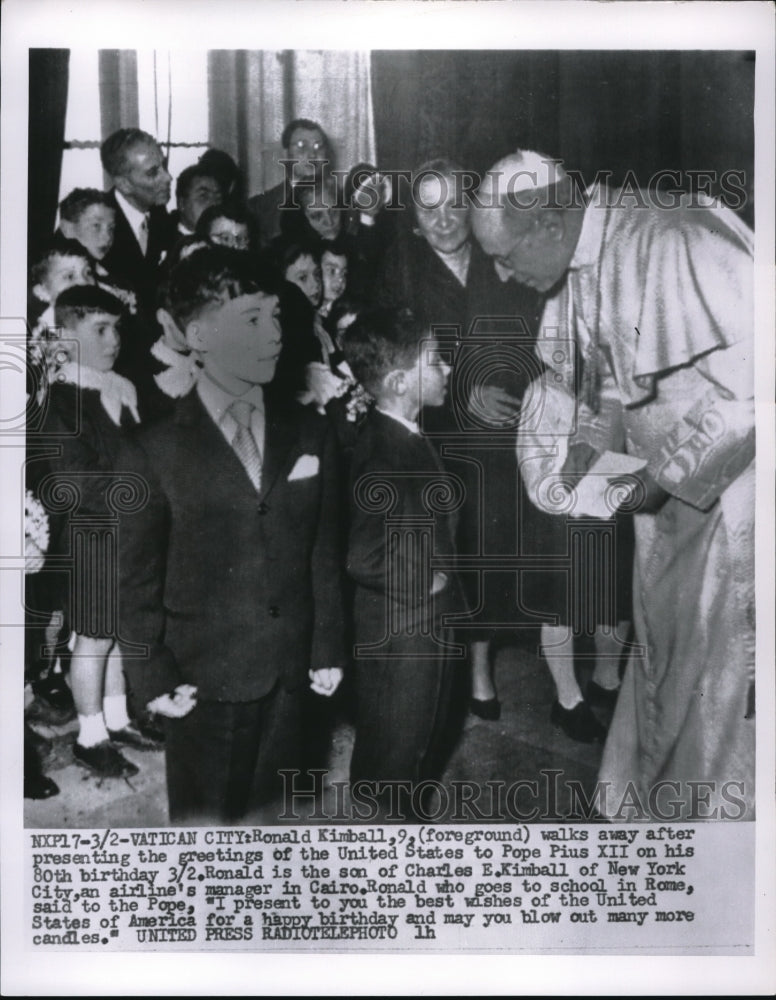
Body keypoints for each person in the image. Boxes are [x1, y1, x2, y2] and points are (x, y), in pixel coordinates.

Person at [472, 150, 755, 817]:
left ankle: (713, 862)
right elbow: (603, 381)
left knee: (715, 691)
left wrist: (664, 476)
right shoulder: (582, 254)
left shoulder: (676, 236)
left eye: (506, 257)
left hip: (733, 509)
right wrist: (577, 464)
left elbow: (757, 388)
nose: (501, 275)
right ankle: (657, 822)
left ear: (547, 224)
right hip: (662, 513)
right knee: (662, 665)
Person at [116, 247, 346, 823]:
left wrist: (327, 646)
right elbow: (133, 580)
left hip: (293, 672)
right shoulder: (155, 448)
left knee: (271, 822)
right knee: (205, 828)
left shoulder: (310, 434)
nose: (272, 334)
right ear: (199, 336)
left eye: (275, 316)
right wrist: (152, 674)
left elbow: (323, 551)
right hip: (203, 682)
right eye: (251, 320)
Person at [341, 307, 465, 820]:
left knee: (399, 732)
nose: (447, 370)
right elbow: (361, 553)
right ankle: (396, 833)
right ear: (397, 381)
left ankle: (376, 801)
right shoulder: (383, 452)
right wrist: (426, 581)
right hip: (404, 626)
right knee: (406, 737)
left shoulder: (402, 434)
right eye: (435, 362)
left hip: (414, 620)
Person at [40, 285, 161, 778]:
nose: (114, 340)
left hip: (129, 537)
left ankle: (116, 717)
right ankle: (90, 736)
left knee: (115, 634)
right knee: (92, 638)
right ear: (66, 337)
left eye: (117, 329)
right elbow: (71, 480)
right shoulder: (60, 400)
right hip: (92, 537)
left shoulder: (121, 389)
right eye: (100, 330)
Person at [100, 128, 174, 313]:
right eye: (152, 173)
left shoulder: (160, 216)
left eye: (163, 166)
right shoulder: (95, 224)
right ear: (124, 184)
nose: (168, 177)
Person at [247, 118, 332, 248]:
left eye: (318, 147)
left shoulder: (343, 202)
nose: (312, 155)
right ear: (285, 153)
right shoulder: (259, 207)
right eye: (301, 146)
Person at [170, 165, 224, 238]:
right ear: (182, 203)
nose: (214, 203)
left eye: (218, 198)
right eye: (203, 196)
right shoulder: (161, 242)